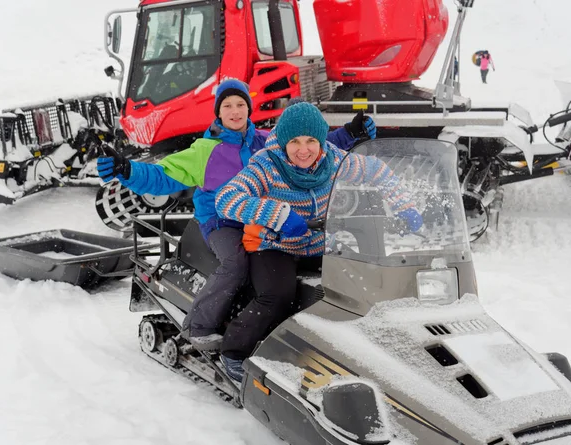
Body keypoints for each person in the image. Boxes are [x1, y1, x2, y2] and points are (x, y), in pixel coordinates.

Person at [96, 80, 377, 351]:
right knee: (237, 262)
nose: (234, 111)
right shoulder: (205, 151)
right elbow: (162, 175)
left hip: (262, 219)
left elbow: (308, 144)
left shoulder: (266, 140)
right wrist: (126, 169)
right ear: (218, 111)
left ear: (249, 109)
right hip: (222, 222)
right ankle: (199, 325)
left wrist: (350, 134)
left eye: (240, 104)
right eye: (227, 105)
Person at [215, 102, 422, 381]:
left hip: (318, 242)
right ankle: (233, 352)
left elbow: (377, 170)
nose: (304, 150)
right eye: (295, 142)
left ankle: (363, 348)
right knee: (277, 296)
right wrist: (278, 215)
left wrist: (404, 206)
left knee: (363, 280)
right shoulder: (266, 164)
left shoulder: (334, 159)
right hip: (274, 245)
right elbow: (227, 198)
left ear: (321, 140)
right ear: (283, 141)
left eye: (311, 140)